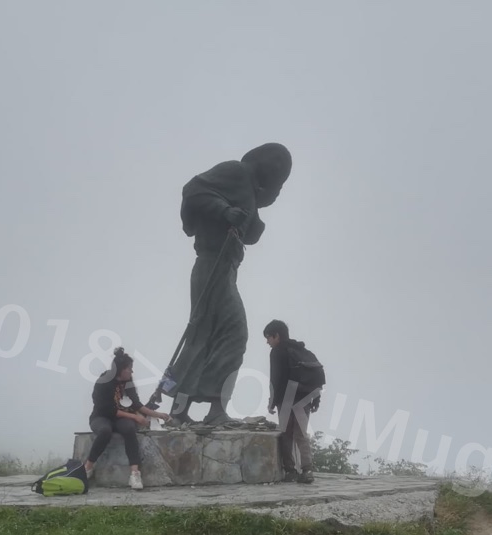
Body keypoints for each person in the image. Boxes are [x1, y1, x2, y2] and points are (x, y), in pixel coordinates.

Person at [164, 143, 293, 426]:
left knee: (204, 334)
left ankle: (180, 411)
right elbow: (192, 191)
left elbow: (249, 230)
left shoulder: (247, 188)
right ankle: (212, 410)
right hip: (212, 264)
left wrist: (250, 222)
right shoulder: (236, 171)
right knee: (231, 333)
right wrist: (223, 210)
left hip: (225, 269)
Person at [84, 347, 171, 490]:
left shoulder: (128, 382)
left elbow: (136, 404)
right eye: (129, 368)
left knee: (129, 428)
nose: (132, 371)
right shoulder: (103, 381)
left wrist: (158, 414)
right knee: (105, 431)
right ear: (120, 369)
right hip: (101, 417)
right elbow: (107, 409)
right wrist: (134, 416)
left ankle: (135, 473)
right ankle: (88, 467)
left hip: (120, 418)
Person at [264, 319, 319, 484]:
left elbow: (276, 379)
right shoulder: (304, 351)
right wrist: (316, 399)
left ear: (277, 336)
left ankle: (290, 471)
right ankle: (307, 470)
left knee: (286, 435)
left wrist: (272, 402)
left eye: (268, 337)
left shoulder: (277, 352)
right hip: (305, 398)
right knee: (301, 434)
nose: (267, 342)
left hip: (287, 398)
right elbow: (314, 377)